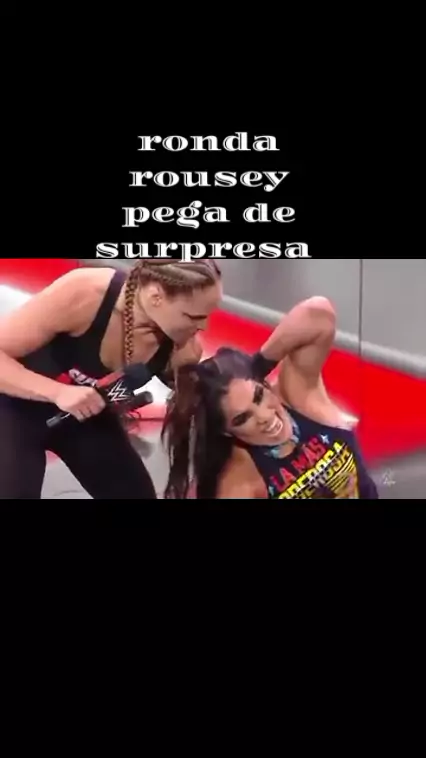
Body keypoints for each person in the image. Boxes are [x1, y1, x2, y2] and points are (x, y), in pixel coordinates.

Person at [0, 259, 222, 499]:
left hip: (85, 416)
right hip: (15, 405)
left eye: (207, 315)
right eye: (193, 316)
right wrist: (58, 392)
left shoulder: (183, 351)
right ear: (156, 297)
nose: (203, 326)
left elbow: (198, 403)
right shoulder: (85, 293)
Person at [162, 296, 378, 500]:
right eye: (242, 418)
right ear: (226, 431)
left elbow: (319, 314)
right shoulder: (239, 483)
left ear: (264, 384)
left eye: (259, 396)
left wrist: (260, 363)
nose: (264, 417)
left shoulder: (299, 398)